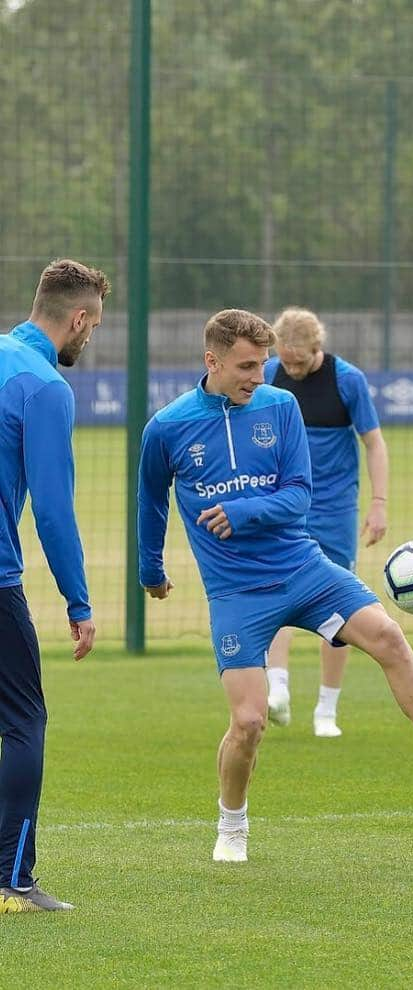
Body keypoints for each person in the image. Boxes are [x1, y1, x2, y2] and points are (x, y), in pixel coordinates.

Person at [137, 309, 413, 864]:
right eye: (246, 366)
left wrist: (245, 510)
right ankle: (233, 824)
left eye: (263, 364)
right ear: (212, 360)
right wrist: (151, 570)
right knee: (248, 721)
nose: (258, 375)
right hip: (237, 594)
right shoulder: (168, 426)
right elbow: (150, 501)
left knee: (388, 636)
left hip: (304, 569)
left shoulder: (281, 406)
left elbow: (300, 495)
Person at [0, 259, 107, 914]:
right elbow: (55, 511)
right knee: (23, 718)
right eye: (91, 328)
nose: (87, 340)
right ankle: (12, 878)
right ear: (77, 319)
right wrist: (79, 601)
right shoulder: (44, 386)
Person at [262, 308, 389, 737]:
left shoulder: (347, 380)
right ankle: (276, 689)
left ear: (319, 348)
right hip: (282, 507)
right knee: (277, 594)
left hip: (334, 510)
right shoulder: (269, 373)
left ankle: (326, 710)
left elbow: (373, 443)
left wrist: (378, 503)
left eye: (299, 361)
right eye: (286, 361)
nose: (291, 370)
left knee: (338, 608)